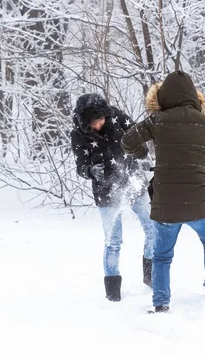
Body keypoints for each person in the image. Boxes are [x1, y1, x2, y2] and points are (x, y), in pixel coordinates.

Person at [121, 71, 205, 313]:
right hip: (201, 203)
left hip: (166, 206)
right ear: (194, 96)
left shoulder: (157, 121)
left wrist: (145, 158)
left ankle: (161, 305)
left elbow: (127, 141)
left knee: (162, 256)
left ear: (163, 97)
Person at [70, 93, 156, 302]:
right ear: (85, 122)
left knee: (153, 228)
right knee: (113, 240)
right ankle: (112, 291)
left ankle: (151, 277)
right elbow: (80, 166)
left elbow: (137, 133)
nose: (100, 124)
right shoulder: (78, 135)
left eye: (102, 119)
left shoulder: (116, 117)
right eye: (95, 122)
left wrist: (143, 155)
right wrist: (90, 170)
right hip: (106, 191)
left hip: (133, 182)